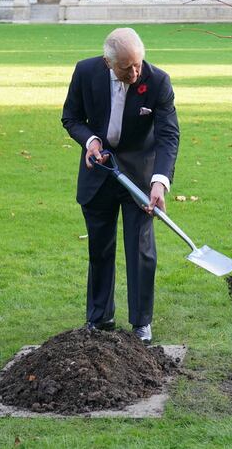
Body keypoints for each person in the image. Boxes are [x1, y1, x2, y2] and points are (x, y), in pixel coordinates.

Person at [62, 28, 179, 344]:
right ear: (107, 63)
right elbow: (70, 117)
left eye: (138, 64)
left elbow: (168, 136)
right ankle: (99, 319)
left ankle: (141, 322)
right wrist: (91, 140)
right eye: (127, 68)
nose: (135, 72)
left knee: (141, 250)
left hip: (139, 179)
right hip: (98, 172)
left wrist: (159, 182)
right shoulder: (85, 72)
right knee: (99, 249)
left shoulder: (157, 81)